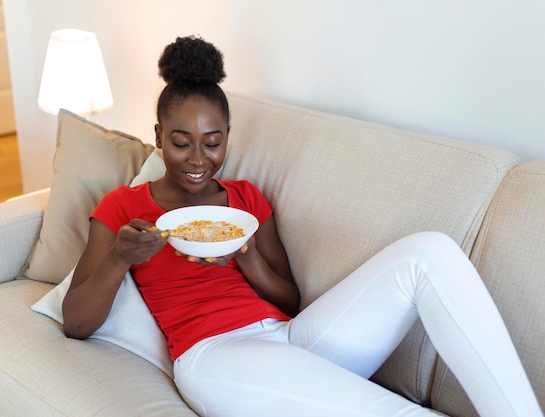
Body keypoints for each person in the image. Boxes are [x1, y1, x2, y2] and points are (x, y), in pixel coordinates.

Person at [62, 36, 542, 417]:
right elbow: (76, 323)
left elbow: (288, 300)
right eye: (181, 142)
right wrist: (121, 257)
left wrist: (246, 254)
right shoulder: (125, 207)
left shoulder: (246, 200)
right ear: (158, 138)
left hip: (292, 338)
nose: (197, 160)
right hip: (217, 357)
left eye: (212, 143)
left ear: (227, 138)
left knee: (429, 253)